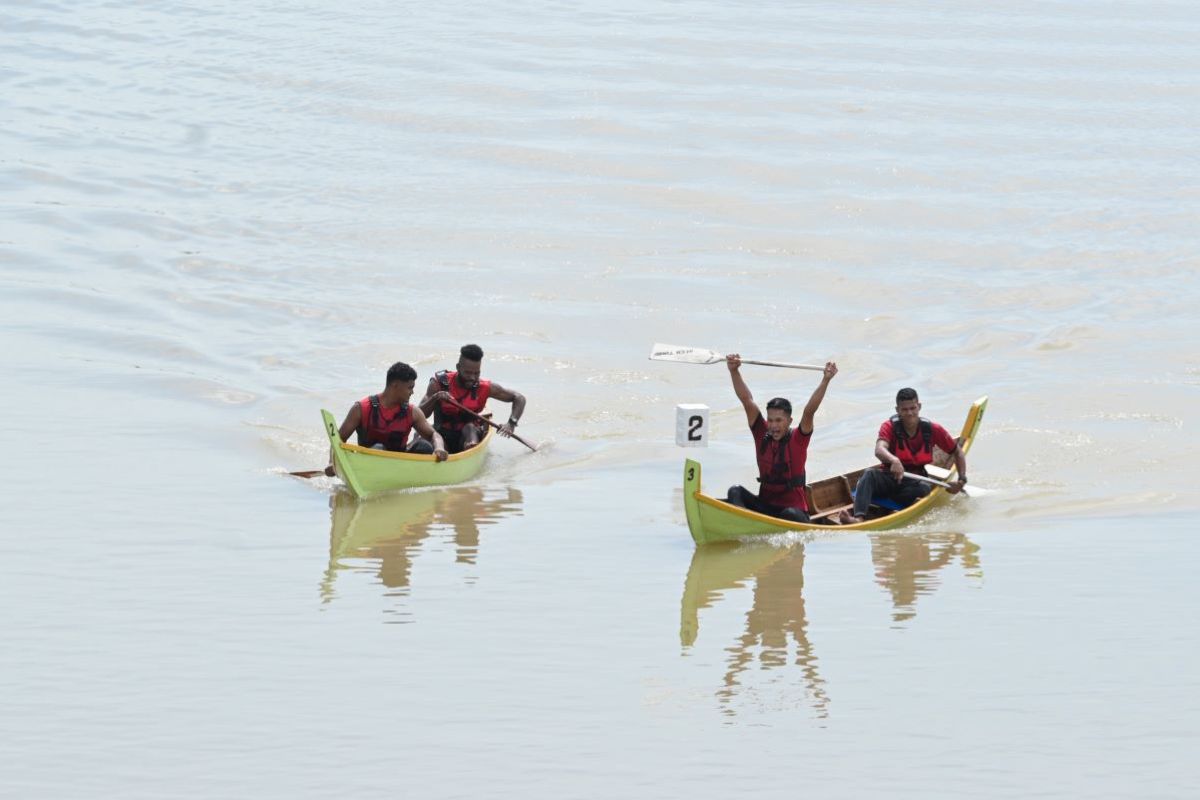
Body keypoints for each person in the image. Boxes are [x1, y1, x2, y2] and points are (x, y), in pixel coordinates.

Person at [724, 354, 838, 523]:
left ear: (789, 421)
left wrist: (826, 380)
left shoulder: (798, 439)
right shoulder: (761, 433)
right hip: (766, 507)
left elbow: (809, 411)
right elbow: (747, 400)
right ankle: (742, 524)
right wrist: (734, 371)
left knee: (789, 515)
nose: (773, 425)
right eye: (770, 420)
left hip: (794, 513)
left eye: (778, 421)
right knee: (735, 491)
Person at [837, 388, 967, 524]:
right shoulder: (889, 427)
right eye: (904, 410)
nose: (910, 413)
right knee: (869, 474)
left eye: (913, 408)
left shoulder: (933, 429)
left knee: (924, 488)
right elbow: (879, 449)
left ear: (919, 407)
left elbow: (957, 452)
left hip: (913, 481)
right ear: (897, 410)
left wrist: (961, 479)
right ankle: (858, 518)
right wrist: (894, 460)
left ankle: (897, 508)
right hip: (889, 477)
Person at [325, 362, 447, 475]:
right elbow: (339, 439)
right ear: (395, 385)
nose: (412, 392)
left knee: (424, 447)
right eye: (410, 387)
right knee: (379, 448)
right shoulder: (361, 409)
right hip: (368, 465)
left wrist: (439, 448)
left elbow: (434, 435)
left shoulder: (413, 412)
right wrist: (333, 462)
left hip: (399, 466)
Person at [417, 343, 527, 454]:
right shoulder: (438, 383)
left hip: (469, 437)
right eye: (468, 373)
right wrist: (435, 398)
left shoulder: (485, 387)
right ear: (458, 368)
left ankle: (470, 448)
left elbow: (519, 398)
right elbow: (419, 415)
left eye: (476, 373)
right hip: (442, 436)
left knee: (469, 427)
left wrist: (511, 423)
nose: (473, 378)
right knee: (421, 437)